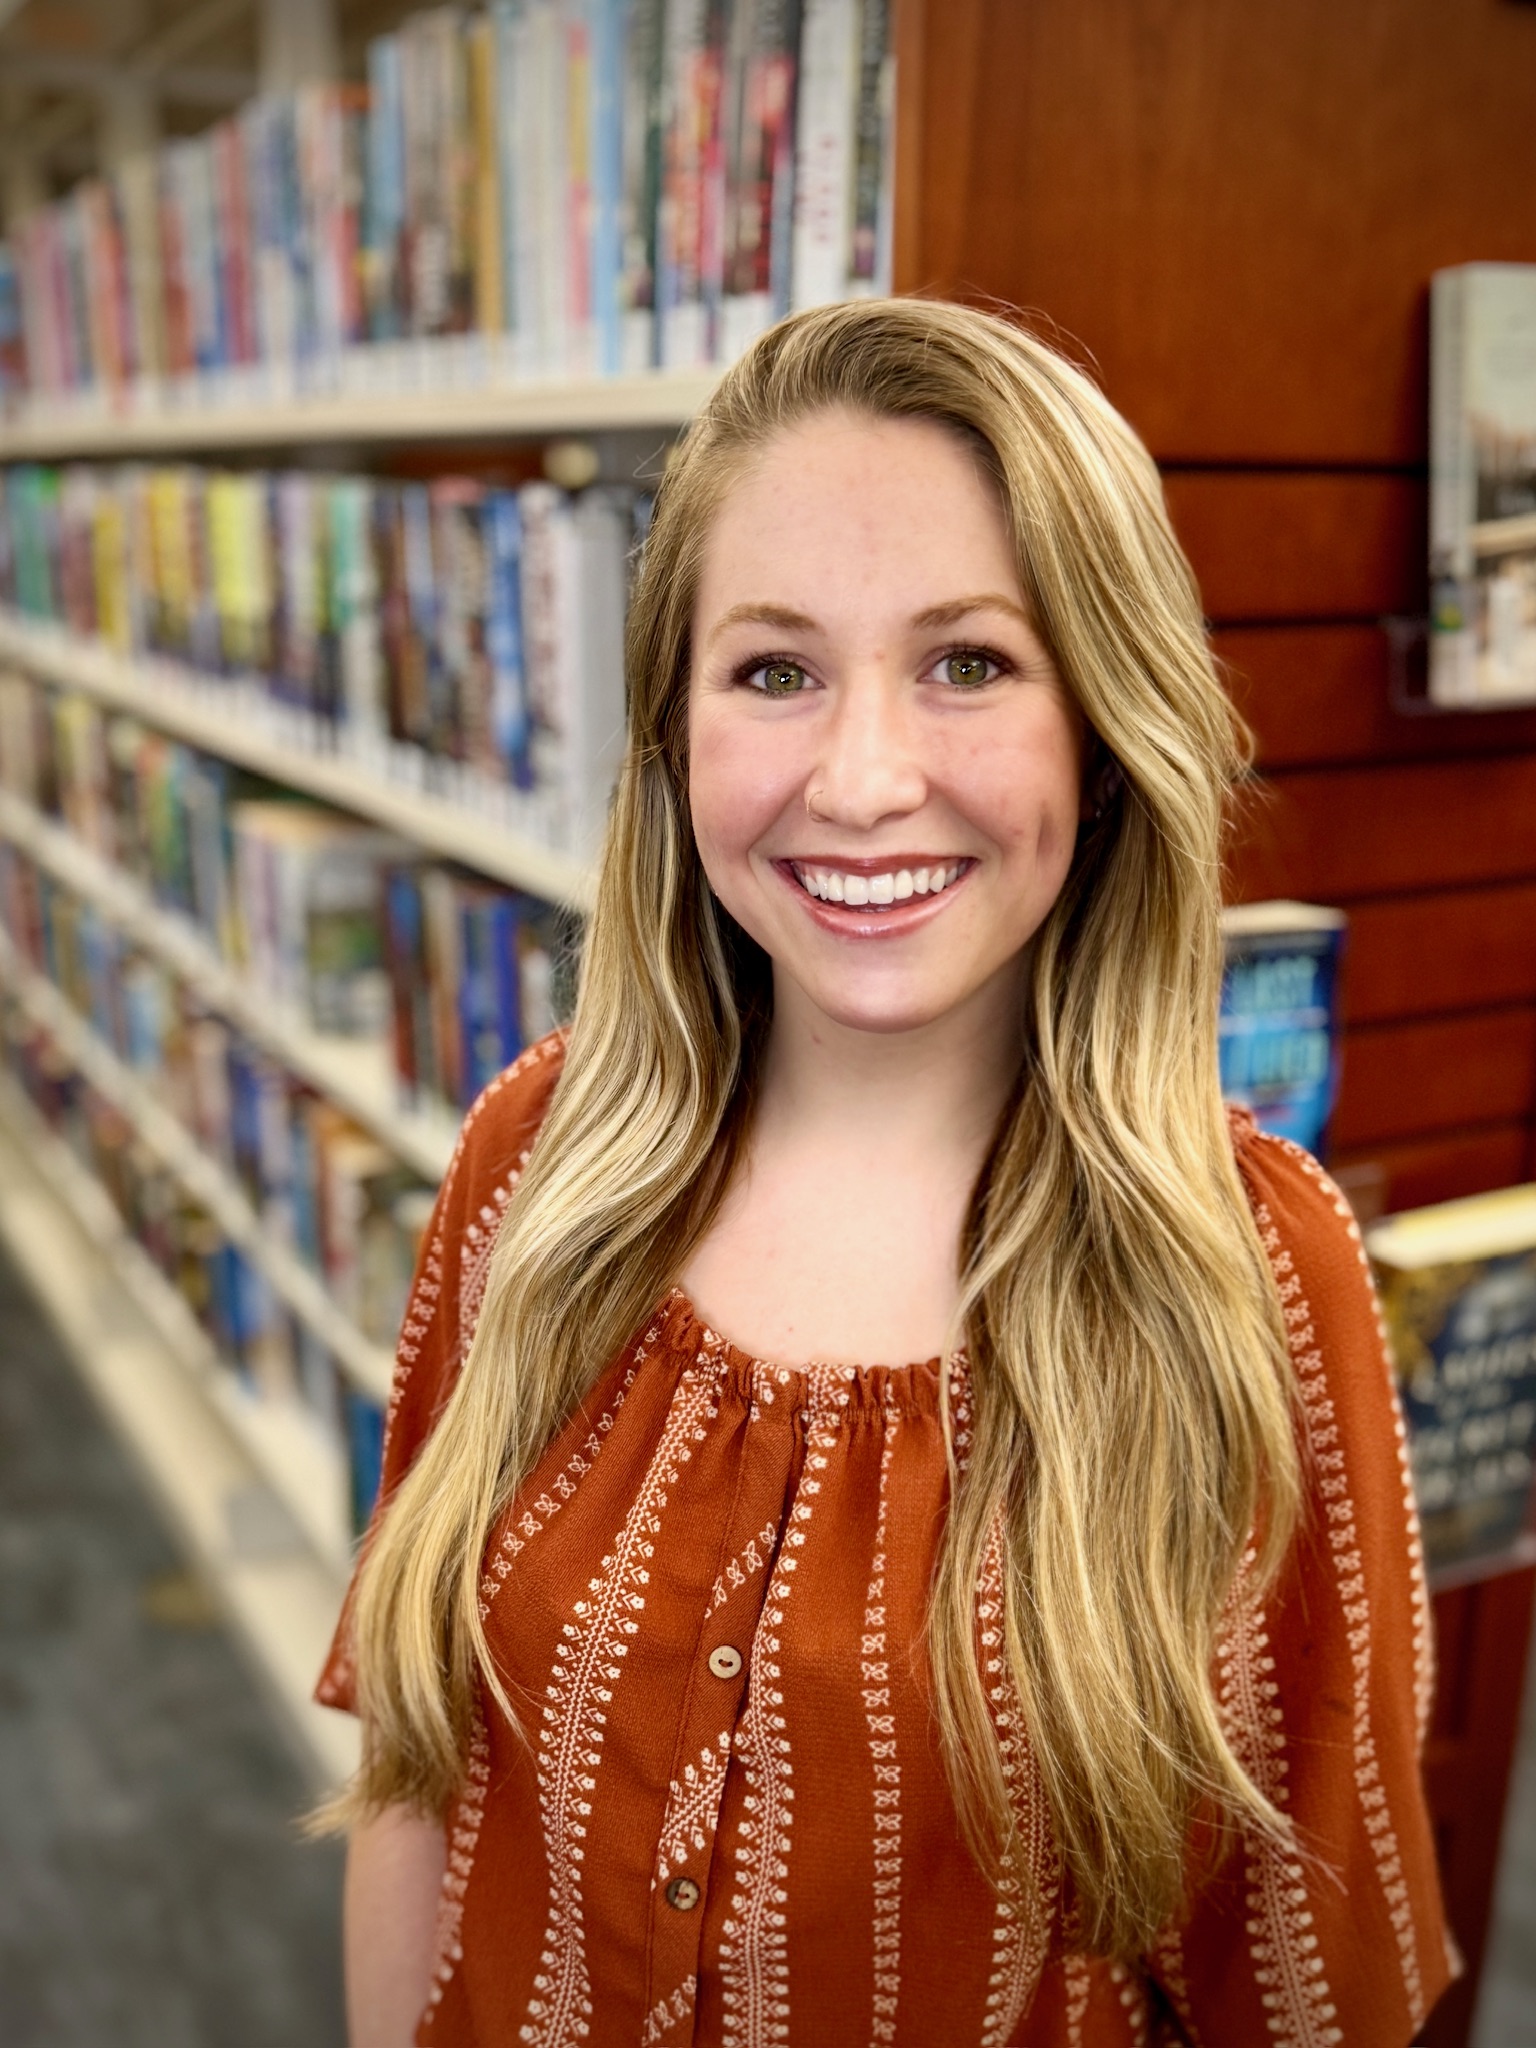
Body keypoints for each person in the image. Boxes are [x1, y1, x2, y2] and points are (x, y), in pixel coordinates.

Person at [318, 298, 1454, 2048]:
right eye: (774, 669)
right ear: (672, 734)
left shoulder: (1254, 1277)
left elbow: (1314, 1988)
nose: (860, 780)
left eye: (969, 662)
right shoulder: (535, 1162)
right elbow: (420, 1769)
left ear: (1103, 719)